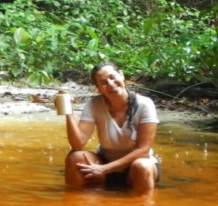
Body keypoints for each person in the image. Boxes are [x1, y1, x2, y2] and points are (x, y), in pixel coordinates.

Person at [63, 62, 160, 194]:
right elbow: (77, 144)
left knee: (142, 166)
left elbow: (143, 150)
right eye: (103, 82)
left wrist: (105, 169)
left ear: (121, 75)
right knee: (75, 157)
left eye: (113, 77)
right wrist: (68, 111)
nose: (110, 83)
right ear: (98, 89)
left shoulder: (145, 104)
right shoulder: (95, 104)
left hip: (135, 168)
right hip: (105, 164)